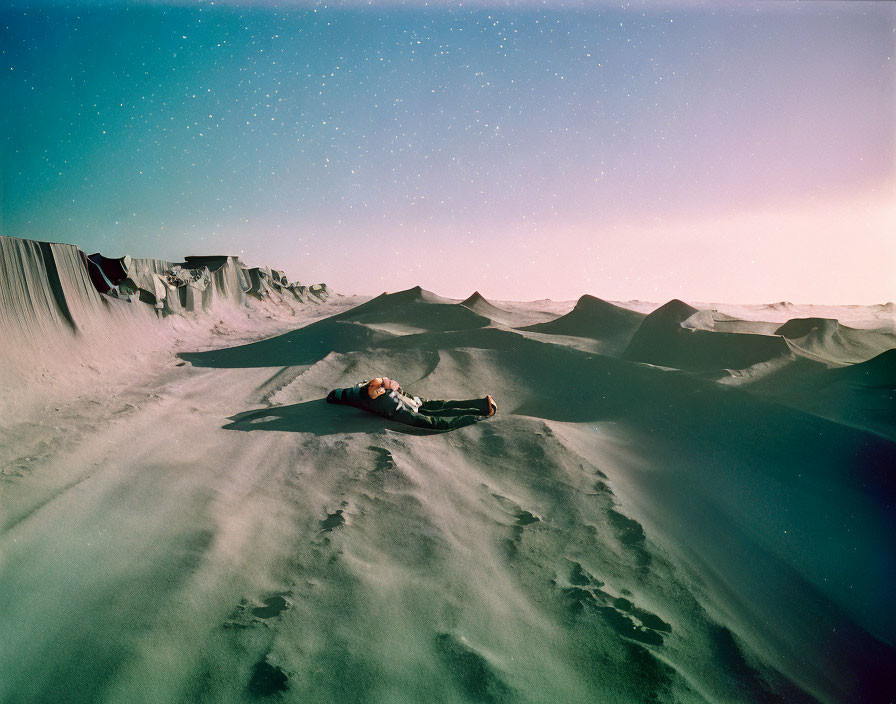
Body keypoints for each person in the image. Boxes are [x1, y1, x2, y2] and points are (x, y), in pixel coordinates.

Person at [326, 377, 497, 431]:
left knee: (441, 408)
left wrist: (390, 385)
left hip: (411, 404)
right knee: (437, 417)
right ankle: (479, 413)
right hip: (407, 409)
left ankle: (481, 405)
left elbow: (383, 386)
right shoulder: (380, 397)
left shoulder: (374, 391)